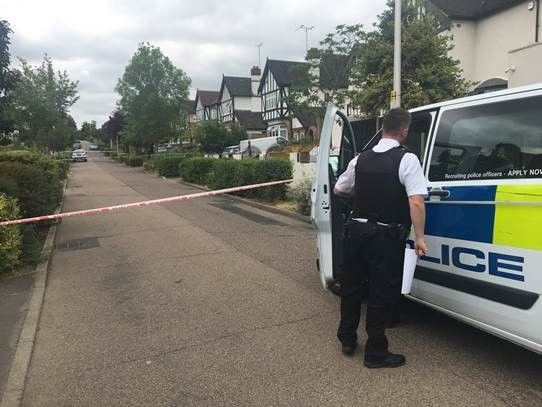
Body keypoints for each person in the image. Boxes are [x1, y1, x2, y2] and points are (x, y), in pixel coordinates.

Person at [333, 108, 427, 368]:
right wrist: (419, 237)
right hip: (385, 237)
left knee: (351, 288)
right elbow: (416, 202)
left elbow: (340, 189)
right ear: (404, 131)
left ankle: (347, 338)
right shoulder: (407, 159)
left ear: (383, 127)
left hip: (355, 233)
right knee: (379, 292)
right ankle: (375, 353)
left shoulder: (360, 159)